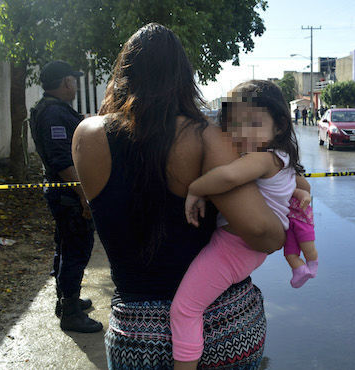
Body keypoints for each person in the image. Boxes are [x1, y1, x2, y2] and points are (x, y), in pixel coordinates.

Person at [72, 23, 284, 369]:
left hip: (134, 334)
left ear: (123, 74)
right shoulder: (204, 137)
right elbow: (262, 233)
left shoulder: (87, 135)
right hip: (222, 327)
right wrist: (284, 231)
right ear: (184, 78)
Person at [170, 80, 319, 369]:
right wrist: (301, 192)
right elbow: (303, 183)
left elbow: (227, 178)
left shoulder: (262, 158)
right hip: (245, 248)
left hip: (233, 248)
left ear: (278, 127)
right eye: (234, 124)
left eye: (253, 123)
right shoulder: (282, 158)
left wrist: (195, 189)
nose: (241, 133)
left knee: (185, 310)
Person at [29, 60, 101, 333]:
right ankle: (70, 313)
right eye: (73, 79)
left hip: (62, 193)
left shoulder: (52, 110)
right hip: (68, 195)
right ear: (66, 82)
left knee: (66, 247)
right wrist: (83, 196)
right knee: (76, 250)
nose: (75, 83)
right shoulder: (53, 114)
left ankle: (66, 301)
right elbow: (62, 162)